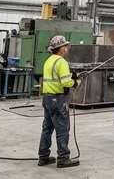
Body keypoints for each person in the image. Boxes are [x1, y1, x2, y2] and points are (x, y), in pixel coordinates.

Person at [38, 35, 79, 168]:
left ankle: (43, 156)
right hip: (58, 99)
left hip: (47, 98)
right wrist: (75, 82)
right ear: (60, 48)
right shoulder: (61, 62)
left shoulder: (49, 60)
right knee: (62, 128)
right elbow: (66, 81)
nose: (66, 48)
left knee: (47, 128)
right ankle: (63, 157)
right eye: (65, 46)